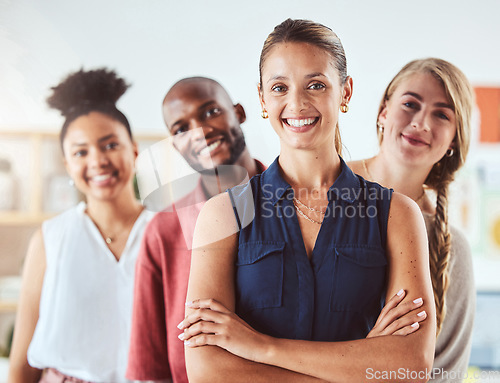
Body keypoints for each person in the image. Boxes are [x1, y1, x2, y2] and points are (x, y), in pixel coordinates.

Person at [180, 19, 436, 383]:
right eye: (280, 87)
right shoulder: (224, 214)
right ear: (263, 99)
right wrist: (361, 368)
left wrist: (258, 346)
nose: (296, 103)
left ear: (345, 92)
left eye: (316, 85)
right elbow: (209, 372)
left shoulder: (396, 215)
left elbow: (411, 364)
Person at [7, 69, 153, 383]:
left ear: (134, 149)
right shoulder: (50, 238)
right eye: (80, 152)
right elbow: (21, 364)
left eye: (110, 145)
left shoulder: (166, 233)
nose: (97, 160)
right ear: (67, 165)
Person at [126, 77, 266, 383]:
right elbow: (151, 366)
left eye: (210, 112)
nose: (200, 132)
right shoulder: (162, 231)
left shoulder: (297, 205)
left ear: (239, 112)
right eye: (181, 129)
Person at [348, 58, 475, 382]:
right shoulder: (319, 189)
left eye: (442, 114)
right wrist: (369, 358)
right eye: (410, 104)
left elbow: (445, 374)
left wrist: (373, 362)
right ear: (383, 112)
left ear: (454, 141)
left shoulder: (451, 249)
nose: (421, 122)